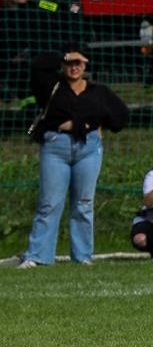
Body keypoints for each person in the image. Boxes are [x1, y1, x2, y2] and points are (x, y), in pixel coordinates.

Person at [17, 48, 129, 268]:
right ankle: (38, 255)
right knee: (49, 203)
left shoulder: (98, 91)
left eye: (79, 62)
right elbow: (37, 64)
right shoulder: (51, 86)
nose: (74, 67)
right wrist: (62, 55)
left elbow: (121, 116)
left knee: (84, 203)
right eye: (70, 62)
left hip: (88, 149)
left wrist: (87, 125)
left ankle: (83, 256)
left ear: (86, 64)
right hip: (55, 147)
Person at [23, 0, 82, 106]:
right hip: (41, 44)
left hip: (59, 45)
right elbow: (38, 5)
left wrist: (46, 5)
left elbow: (72, 11)